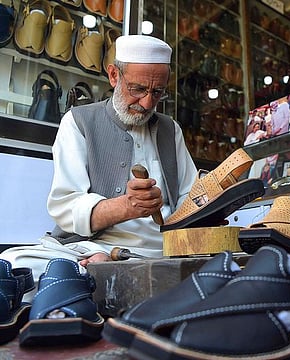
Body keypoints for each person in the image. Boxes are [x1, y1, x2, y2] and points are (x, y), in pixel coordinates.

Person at [1, 35, 198, 295]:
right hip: (92, 249)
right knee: (16, 264)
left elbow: (190, 196)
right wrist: (126, 207)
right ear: (114, 75)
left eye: (157, 92)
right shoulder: (79, 122)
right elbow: (65, 207)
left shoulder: (170, 130)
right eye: (138, 89)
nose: (148, 103)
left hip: (161, 251)